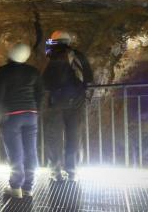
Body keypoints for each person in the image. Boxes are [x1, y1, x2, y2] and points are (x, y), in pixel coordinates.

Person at [0, 43, 43, 199]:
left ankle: (15, 187)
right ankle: (28, 187)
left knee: (15, 153)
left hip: (12, 115)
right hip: (31, 114)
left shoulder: (5, 71)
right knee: (31, 151)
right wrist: (36, 111)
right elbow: (40, 93)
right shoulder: (33, 72)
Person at [43, 31, 93, 182]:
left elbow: (47, 82)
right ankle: (72, 171)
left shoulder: (55, 56)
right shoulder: (79, 56)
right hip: (76, 103)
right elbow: (88, 78)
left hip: (56, 104)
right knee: (74, 137)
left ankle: (55, 171)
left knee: (54, 138)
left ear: (55, 42)